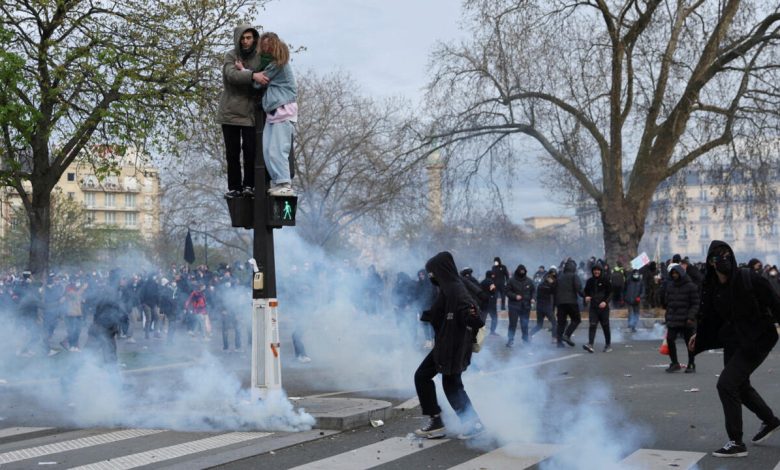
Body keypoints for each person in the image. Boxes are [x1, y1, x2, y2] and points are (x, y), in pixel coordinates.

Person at [689, 241, 780, 458]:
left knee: (726, 384)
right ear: (710, 262)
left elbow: (775, 302)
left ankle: (736, 442)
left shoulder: (748, 278)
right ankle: (770, 421)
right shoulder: (712, 287)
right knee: (739, 385)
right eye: (717, 256)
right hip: (734, 340)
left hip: (758, 339)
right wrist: (698, 335)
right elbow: (710, 317)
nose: (722, 260)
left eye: (726, 255)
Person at [414, 252, 485, 439]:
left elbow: (473, 316)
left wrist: (472, 317)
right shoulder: (449, 289)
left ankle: (437, 422)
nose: (431, 277)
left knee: (423, 377)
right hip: (451, 343)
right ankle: (472, 423)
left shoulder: (456, 290)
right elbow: (440, 312)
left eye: (433, 273)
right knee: (452, 384)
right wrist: (427, 316)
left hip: (452, 345)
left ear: (440, 271)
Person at [218, 24, 264, 198]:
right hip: (229, 112)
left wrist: (246, 72)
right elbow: (231, 76)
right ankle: (235, 187)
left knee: (250, 151)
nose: (246, 41)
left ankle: (249, 186)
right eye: (243, 38)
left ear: (254, 38)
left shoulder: (260, 57)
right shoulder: (231, 55)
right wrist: (252, 76)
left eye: (249, 38)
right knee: (232, 153)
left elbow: (263, 80)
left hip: (250, 113)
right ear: (238, 39)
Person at [250, 32, 298, 196]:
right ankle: (279, 182)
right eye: (263, 46)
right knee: (268, 150)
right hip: (274, 112)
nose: (265, 49)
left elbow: (260, 82)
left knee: (278, 149)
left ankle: (285, 183)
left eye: (268, 46)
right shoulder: (273, 64)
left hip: (283, 110)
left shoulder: (279, 64)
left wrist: (245, 71)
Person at [660, 264, 699, 373]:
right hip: (673, 318)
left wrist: (691, 317)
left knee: (689, 343)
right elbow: (668, 303)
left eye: (676, 273)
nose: (675, 275)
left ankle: (691, 363)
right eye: (673, 273)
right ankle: (674, 363)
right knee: (670, 339)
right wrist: (667, 316)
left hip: (686, 319)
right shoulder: (670, 286)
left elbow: (695, 304)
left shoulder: (691, 286)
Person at [582, 263, 612, 353]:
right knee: (592, 325)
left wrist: (605, 302)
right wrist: (586, 297)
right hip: (593, 307)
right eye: (595, 270)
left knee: (605, 326)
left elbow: (611, 293)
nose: (596, 272)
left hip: (603, 308)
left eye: (598, 270)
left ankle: (608, 344)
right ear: (592, 271)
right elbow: (585, 292)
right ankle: (590, 344)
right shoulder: (590, 281)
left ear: (601, 271)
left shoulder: (606, 280)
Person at [555, 259, 583, 348]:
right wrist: (585, 296)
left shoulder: (559, 276)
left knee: (561, 323)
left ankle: (559, 342)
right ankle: (567, 335)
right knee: (576, 319)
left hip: (560, 303)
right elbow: (578, 288)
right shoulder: (574, 276)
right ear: (574, 268)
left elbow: (553, 287)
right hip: (571, 302)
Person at [506, 264, 534, 347]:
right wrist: (515, 296)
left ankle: (525, 339)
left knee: (525, 324)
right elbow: (507, 291)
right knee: (512, 324)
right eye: (521, 271)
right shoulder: (511, 280)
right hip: (514, 306)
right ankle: (510, 340)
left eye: (523, 271)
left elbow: (534, 291)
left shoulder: (529, 281)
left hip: (525, 306)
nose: (522, 273)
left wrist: (533, 298)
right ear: (517, 271)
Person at [531, 268, 557, 342]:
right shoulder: (549, 285)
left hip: (540, 307)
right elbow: (553, 291)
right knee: (554, 323)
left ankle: (530, 334)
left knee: (539, 325)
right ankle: (554, 338)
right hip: (546, 307)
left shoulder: (541, 284)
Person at [479, 271, 498, 335]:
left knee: (482, 318)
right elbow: (493, 291)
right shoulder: (491, 282)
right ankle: (492, 331)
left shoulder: (482, 282)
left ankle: (480, 331)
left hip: (483, 303)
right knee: (494, 318)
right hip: (491, 303)